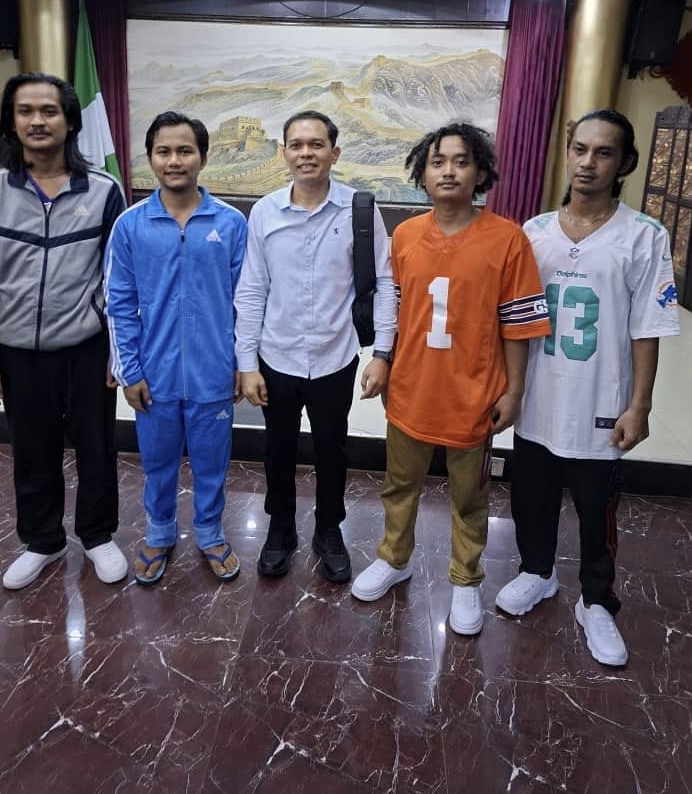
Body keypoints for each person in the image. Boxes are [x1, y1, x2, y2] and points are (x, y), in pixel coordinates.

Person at [495, 109, 680, 666]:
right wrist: (508, 388)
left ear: (624, 163)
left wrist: (640, 405)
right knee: (531, 496)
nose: (587, 162)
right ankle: (537, 572)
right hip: (538, 394)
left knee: (597, 509)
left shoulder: (644, 236)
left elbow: (648, 327)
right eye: (580, 149)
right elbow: (512, 320)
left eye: (603, 153)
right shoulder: (532, 233)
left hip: (601, 401)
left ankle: (596, 600)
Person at [352, 123, 550, 637]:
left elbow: (518, 324)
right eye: (437, 162)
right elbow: (394, 308)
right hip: (412, 388)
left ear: (480, 173)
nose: (448, 171)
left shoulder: (507, 239)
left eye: (461, 162)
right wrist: (383, 359)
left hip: (474, 393)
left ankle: (465, 577)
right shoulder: (405, 235)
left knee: (470, 496)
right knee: (400, 484)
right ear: (422, 173)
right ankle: (394, 558)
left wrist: (514, 390)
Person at [0, 72, 128, 590]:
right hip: (18, 351)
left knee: (96, 447)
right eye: (26, 111)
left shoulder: (103, 190)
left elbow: (118, 280)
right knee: (32, 451)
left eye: (49, 111)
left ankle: (97, 536)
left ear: (70, 121)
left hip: (87, 347)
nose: (38, 121)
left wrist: (118, 351)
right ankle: (43, 541)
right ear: (11, 122)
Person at [235, 110, 397, 582]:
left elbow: (385, 283)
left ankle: (329, 529)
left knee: (332, 450)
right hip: (276, 356)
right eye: (296, 145)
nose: (306, 153)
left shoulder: (359, 210)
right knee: (278, 451)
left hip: (335, 356)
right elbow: (251, 289)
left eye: (316, 144)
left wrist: (382, 354)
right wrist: (247, 362)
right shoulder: (265, 212)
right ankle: (280, 529)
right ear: (283, 152)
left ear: (334, 152)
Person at [104, 111, 247, 585]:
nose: (174, 161)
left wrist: (242, 363)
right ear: (150, 158)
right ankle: (160, 532)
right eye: (163, 151)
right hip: (154, 373)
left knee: (212, 463)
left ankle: (209, 532)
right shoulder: (131, 225)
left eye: (185, 151)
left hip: (213, 371)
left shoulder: (230, 223)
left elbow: (247, 301)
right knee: (158, 463)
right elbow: (118, 303)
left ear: (203, 157)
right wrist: (129, 370)